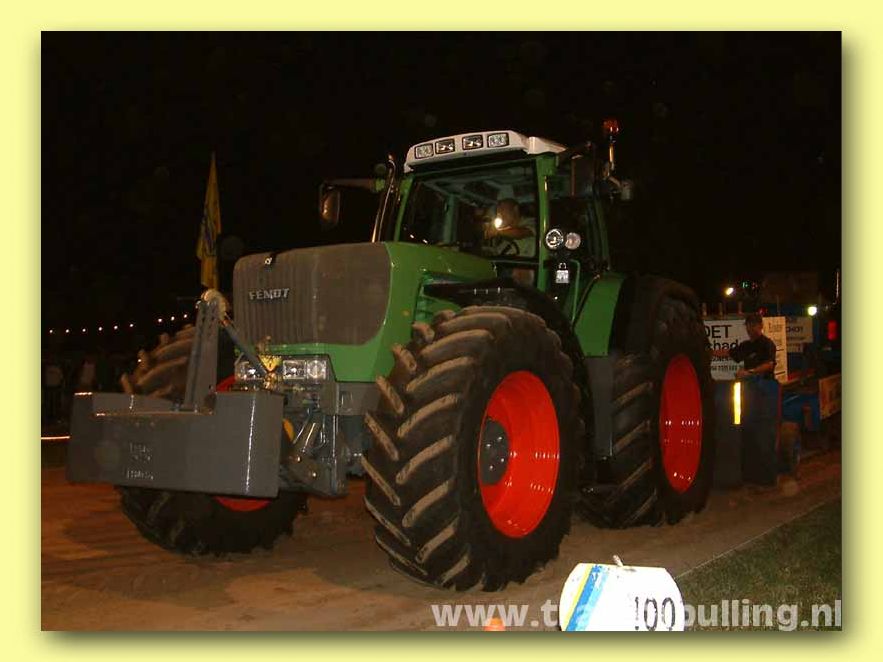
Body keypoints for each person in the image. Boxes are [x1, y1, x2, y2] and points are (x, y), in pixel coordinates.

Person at [712, 312, 777, 379]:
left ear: (761, 326)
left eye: (753, 325)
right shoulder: (746, 345)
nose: (749, 329)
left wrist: (750, 372)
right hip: (750, 382)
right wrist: (709, 353)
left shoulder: (767, 344)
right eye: (748, 326)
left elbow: (769, 365)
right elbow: (728, 352)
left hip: (766, 381)